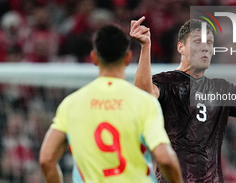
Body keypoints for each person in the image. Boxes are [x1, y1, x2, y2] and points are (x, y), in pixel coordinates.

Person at [130, 16, 236, 183]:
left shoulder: (221, 89)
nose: (205, 47)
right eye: (197, 42)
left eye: (209, 42)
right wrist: (145, 46)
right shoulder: (166, 82)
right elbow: (143, 95)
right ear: (181, 47)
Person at [39, 25, 183, 183]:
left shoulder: (71, 104)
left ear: (94, 58)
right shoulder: (144, 102)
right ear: (128, 58)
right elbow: (165, 159)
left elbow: (46, 159)